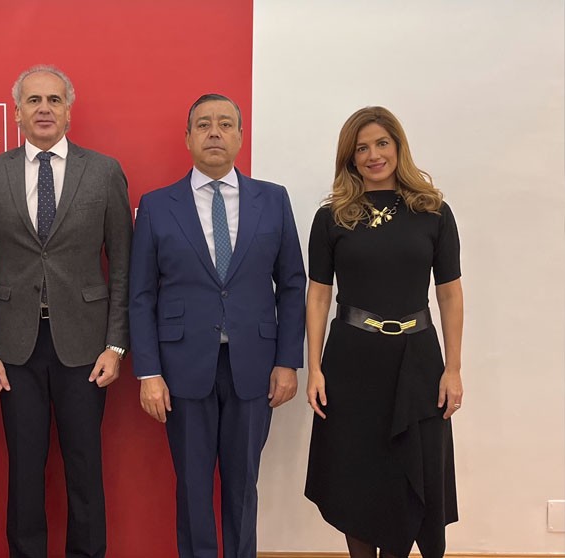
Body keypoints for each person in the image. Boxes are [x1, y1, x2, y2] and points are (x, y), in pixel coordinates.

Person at [0, 65, 133, 558]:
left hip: (86, 346)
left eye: (54, 100)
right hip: (13, 349)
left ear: (68, 111)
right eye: (34, 100)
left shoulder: (103, 171)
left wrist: (116, 344)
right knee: (23, 470)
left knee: (85, 468)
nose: (44, 108)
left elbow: (124, 266)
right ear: (17, 111)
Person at [129, 93, 306, 558]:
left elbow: (292, 285)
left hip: (254, 365)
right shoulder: (157, 205)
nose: (214, 132)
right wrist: (148, 372)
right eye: (203, 124)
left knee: (243, 484)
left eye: (225, 124)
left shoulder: (273, 199)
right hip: (182, 367)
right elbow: (141, 294)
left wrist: (288, 361)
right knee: (191, 485)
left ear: (241, 137)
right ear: (187, 138)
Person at [304, 106, 463, 558]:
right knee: (357, 478)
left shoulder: (433, 212)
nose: (373, 155)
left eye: (381, 144)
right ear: (350, 158)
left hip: (418, 361)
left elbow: (449, 294)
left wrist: (453, 369)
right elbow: (319, 296)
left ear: (398, 147)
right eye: (362, 148)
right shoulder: (332, 217)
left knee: (413, 474)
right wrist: (314, 369)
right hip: (351, 362)